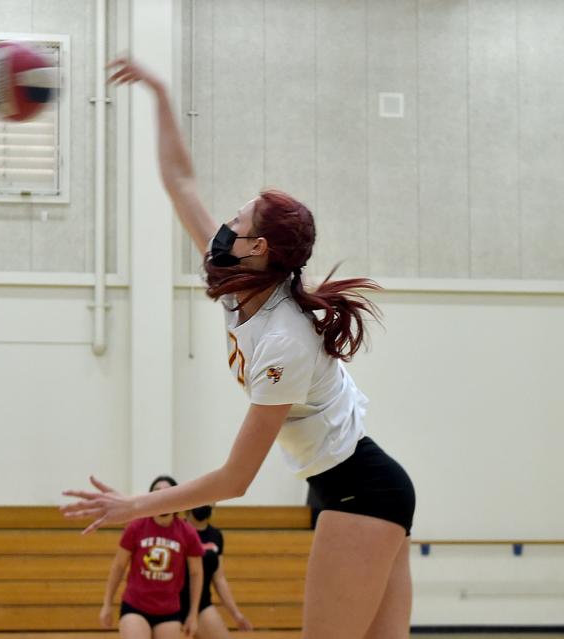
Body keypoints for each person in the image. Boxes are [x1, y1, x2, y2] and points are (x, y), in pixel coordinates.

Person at [63, 57, 416, 639]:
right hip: (353, 485)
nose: (224, 222)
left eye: (239, 218)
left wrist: (135, 505)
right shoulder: (237, 283)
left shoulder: (283, 344)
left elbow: (234, 480)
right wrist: (158, 92)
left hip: (362, 490)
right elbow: (180, 182)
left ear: (256, 246)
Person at [100, 475, 204, 639]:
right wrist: (107, 603)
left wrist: (193, 614)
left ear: (176, 498)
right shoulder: (136, 527)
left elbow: (196, 573)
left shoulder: (187, 532)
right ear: (150, 498)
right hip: (135, 607)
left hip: (169, 611)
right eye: (157, 492)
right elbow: (119, 566)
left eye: (168, 492)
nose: (161, 496)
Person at [180, 504, 252, 636]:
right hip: (171, 604)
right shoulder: (177, 529)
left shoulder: (215, 535)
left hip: (202, 604)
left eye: (209, 501)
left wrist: (236, 613)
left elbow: (219, 578)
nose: (204, 504)